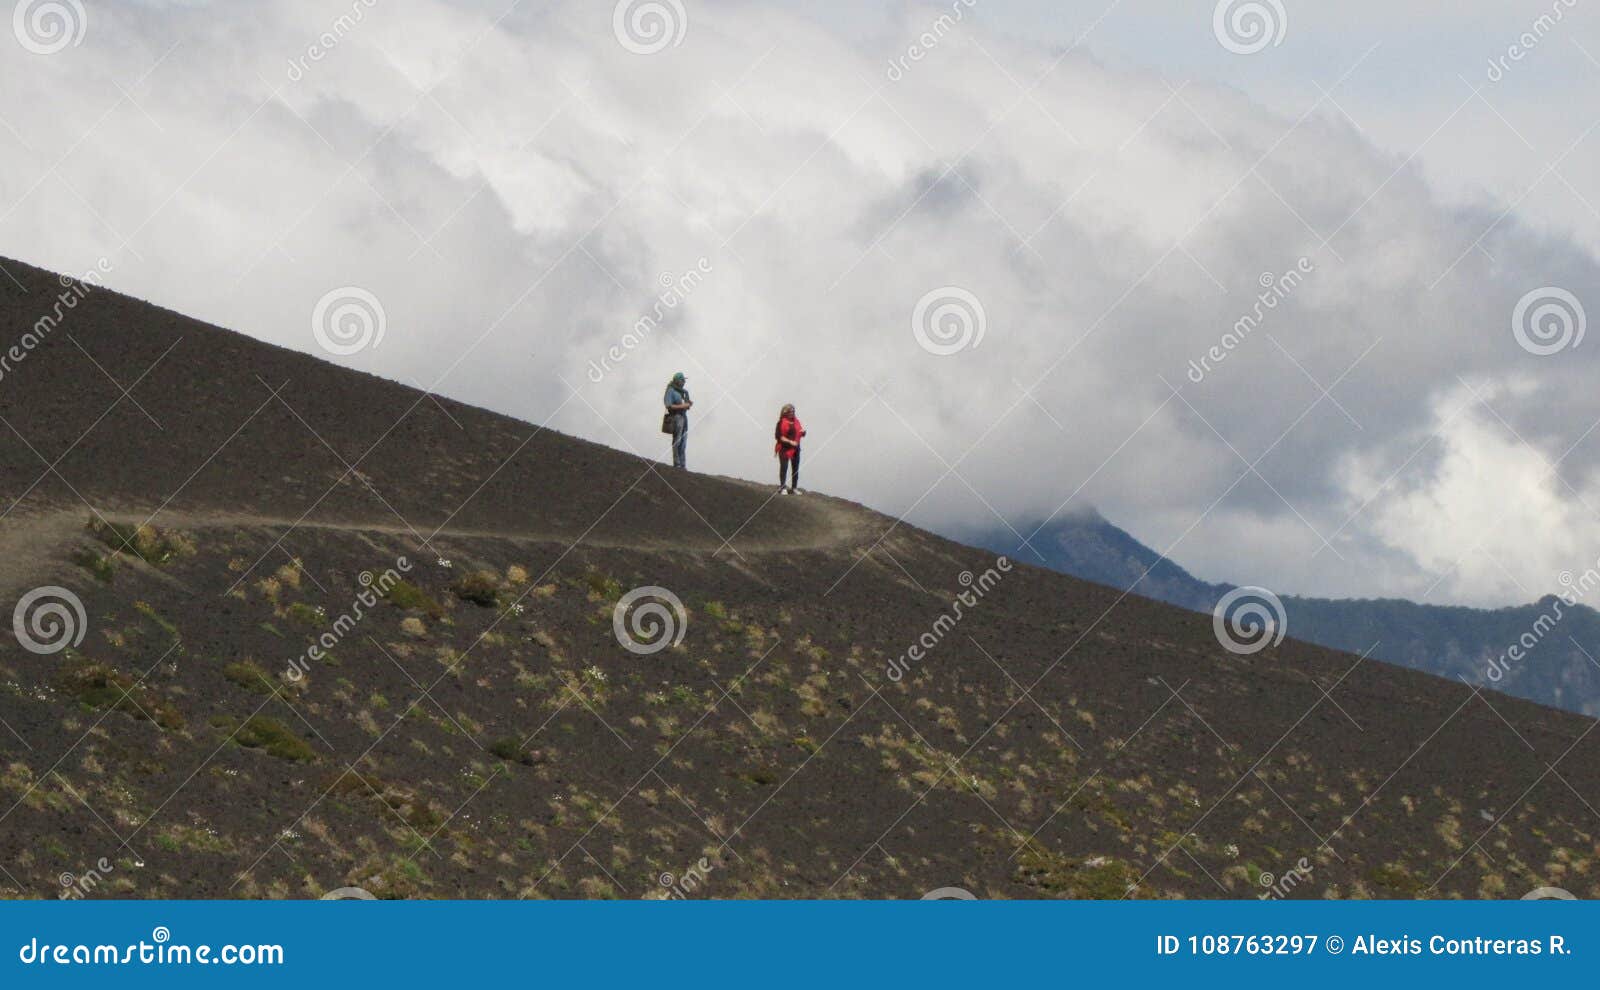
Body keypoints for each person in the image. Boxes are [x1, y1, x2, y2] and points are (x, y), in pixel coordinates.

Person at [774, 403, 805, 494]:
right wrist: (790, 442)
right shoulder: (781, 422)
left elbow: (799, 432)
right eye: (790, 411)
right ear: (786, 412)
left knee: (795, 468)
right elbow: (779, 436)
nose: (792, 413)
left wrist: (803, 433)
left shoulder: (797, 421)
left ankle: (794, 487)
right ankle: (782, 487)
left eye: (793, 411)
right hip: (784, 448)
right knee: (784, 467)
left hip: (795, 448)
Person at [663, 372, 692, 469]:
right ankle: (677, 463)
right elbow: (668, 405)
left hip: (684, 418)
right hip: (676, 417)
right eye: (682, 380)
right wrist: (683, 406)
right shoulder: (671, 390)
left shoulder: (683, 392)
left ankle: (683, 465)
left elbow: (686, 405)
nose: (684, 382)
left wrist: (688, 404)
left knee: (683, 442)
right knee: (677, 440)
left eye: (684, 380)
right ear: (677, 380)